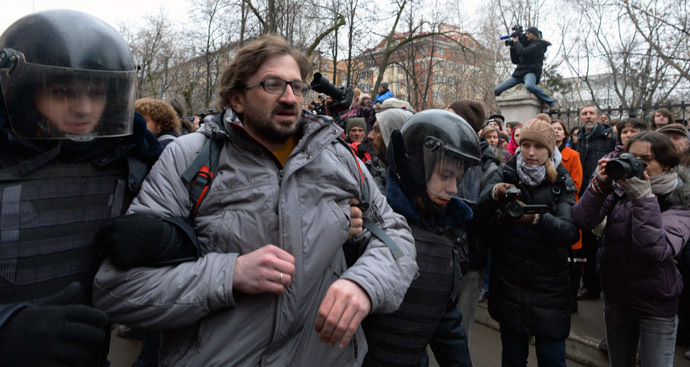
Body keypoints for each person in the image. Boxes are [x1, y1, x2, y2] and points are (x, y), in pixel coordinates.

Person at [92, 34, 418, 366]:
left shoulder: (337, 157)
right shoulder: (191, 158)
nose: (290, 98)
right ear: (237, 99)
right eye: (273, 85)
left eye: (297, 86)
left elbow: (395, 235)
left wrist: (364, 284)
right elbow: (117, 291)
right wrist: (228, 275)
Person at [0, 10, 163, 367]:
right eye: (62, 92)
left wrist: (167, 237)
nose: (84, 108)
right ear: (25, 92)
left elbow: (204, 226)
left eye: (96, 92)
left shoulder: (132, 156)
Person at [362, 109, 478, 367]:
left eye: (458, 179)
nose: (454, 189)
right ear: (414, 168)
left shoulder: (446, 224)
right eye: (445, 176)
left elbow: (446, 322)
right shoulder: (367, 214)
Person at [572, 131, 690, 367]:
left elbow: (657, 250)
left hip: (655, 305)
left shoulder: (680, 199)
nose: (635, 165)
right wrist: (600, 184)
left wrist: (644, 198)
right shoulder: (620, 190)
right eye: (630, 157)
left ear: (666, 164)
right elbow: (582, 219)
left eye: (645, 160)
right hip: (616, 298)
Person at [474, 114, 579, 367]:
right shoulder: (505, 171)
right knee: (512, 359)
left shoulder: (561, 181)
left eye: (539, 146)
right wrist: (494, 194)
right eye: (525, 145)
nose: (531, 153)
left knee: (552, 360)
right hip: (509, 282)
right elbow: (478, 216)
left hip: (549, 287)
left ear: (550, 149)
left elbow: (569, 232)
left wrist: (535, 220)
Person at [446, 99, 502, 342]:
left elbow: (480, 219)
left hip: (469, 261)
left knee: (458, 336)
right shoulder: (438, 153)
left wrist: (491, 198)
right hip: (437, 253)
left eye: (449, 117)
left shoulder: (489, 168)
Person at [572, 104, 616, 301]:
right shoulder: (578, 139)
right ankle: (590, 285)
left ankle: (600, 285)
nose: (588, 116)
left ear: (599, 117)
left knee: (601, 244)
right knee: (586, 245)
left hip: (601, 195)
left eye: (591, 113)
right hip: (582, 197)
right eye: (584, 113)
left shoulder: (609, 139)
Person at [552, 119, 584, 313]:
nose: (556, 132)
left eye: (559, 129)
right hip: (551, 212)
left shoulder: (573, 155)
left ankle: (572, 298)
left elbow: (577, 184)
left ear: (565, 134)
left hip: (569, 209)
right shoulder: (543, 154)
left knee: (573, 261)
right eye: (552, 129)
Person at [493, 27, 556, 107]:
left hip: (531, 72)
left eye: (529, 33)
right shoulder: (525, 46)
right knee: (497, 90)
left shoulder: (538, 45)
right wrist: (512, 47)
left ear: (535, 35)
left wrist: (516, 41)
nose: (526, 35)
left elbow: (524, 52)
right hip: (519, 74)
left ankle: (551, 101)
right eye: (526, 33)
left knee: (529, 85)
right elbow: (515, 61)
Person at [367, 108, 413, 190]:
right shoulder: (377, 168)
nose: (370, 136)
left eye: (377, 130)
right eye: (373, 129)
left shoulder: (416, 182)